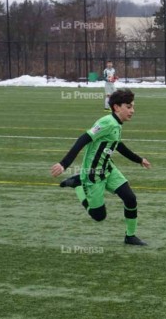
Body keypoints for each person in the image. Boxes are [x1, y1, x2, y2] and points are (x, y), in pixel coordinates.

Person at [51, 88, 151, 246]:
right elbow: (83, 139)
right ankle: (78, 185)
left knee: (130, 198)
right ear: (117, 107)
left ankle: (130, 236)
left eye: (133, 106)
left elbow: (118, 145)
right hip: (93, 174)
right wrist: (64, 164)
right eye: (129, 106)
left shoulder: (117, 124)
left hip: (108, 169)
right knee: (99, 216)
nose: (133, 110)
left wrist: (139, 159)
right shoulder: (106, 122)